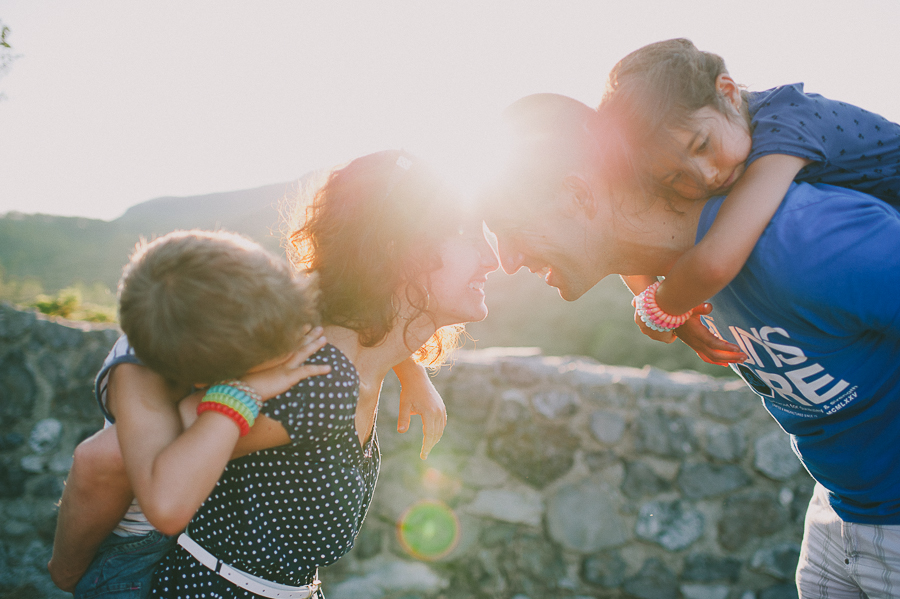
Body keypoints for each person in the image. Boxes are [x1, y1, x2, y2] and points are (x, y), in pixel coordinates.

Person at [485, 92, 900, 598]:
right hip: (837, 517)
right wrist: (656, 301)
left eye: (508, 228)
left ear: (578, 196)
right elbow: (630, 245)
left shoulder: (800, 240)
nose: (505, 260)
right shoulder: (669, 268)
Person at [60, 149, 499, 599]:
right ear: (397, 247)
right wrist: (65, 576)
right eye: (467, 234)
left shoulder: (355, 358)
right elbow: (105, 460)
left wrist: (412, 371)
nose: (493, 259)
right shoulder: (317, 377)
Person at [49, 229, 334, 597]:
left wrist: (410, 368)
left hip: (198, 537)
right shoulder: (138, 377)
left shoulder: (247, 302)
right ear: (205, 381)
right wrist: (242, 394)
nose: (302, 336)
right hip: (134, 556)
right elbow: (134, 486)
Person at [596, 39, 900, 356]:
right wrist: (648, 290)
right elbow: (630, 228)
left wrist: (662, 309)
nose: (705, 176)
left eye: (701, 146)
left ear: (727, 92)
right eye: (675, 178)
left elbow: (715, 261)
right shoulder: (725, 144)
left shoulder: (787, 124)